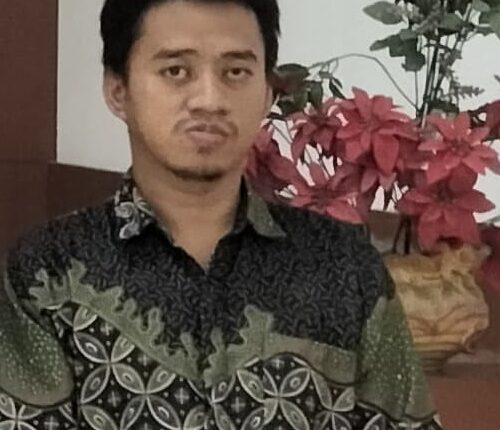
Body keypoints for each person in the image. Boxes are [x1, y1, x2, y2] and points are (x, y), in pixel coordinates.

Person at [0, 0, 442, 428]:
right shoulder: (47, 275)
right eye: (176, 71)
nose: (209, 100)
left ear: (266, 93)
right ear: (119, 92)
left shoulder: (343, 268)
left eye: (235, 72)